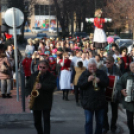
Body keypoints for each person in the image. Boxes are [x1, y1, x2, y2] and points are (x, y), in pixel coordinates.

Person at [78, 58, 109, 134]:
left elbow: (107, 83)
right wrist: (87, 80)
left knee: (100, 122)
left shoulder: (101, 73)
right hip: (88, 102)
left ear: (96, 66)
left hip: (100, 102)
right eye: (90, 67)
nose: (92, 69)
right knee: (88, 121)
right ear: (88, 66)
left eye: (94, 67)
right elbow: (80, 85)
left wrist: (100, 81)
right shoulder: (84, 74)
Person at [25, 60, 56, 134]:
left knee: (46, 121)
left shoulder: (51, 76)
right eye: (40, 67)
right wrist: (28, 94)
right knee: (37, 122)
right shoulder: (34, 75)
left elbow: (52, 86)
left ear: (47, 67)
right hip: (36, 101)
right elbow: (27, 86)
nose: (41, 69)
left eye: (44, 67)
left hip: (46, 101)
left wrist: (42, 86)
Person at [102, 56, 121, 134]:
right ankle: (105, 127)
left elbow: (121, 81)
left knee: (114, 112)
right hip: (105, 93)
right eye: (106, 62)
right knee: (104, 111)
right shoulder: (102, 69)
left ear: (113, 63)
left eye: (109, 63)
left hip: (114, 93)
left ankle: (113, 126)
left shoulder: (117, 70)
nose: (107, 64)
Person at [116, 62, 134, 134]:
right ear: (130, 68)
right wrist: (121, 90)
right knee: (129, 119)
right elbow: (118, 84)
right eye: (132, 67)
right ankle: (131, 131)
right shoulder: (126, 76)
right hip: (129, 102)